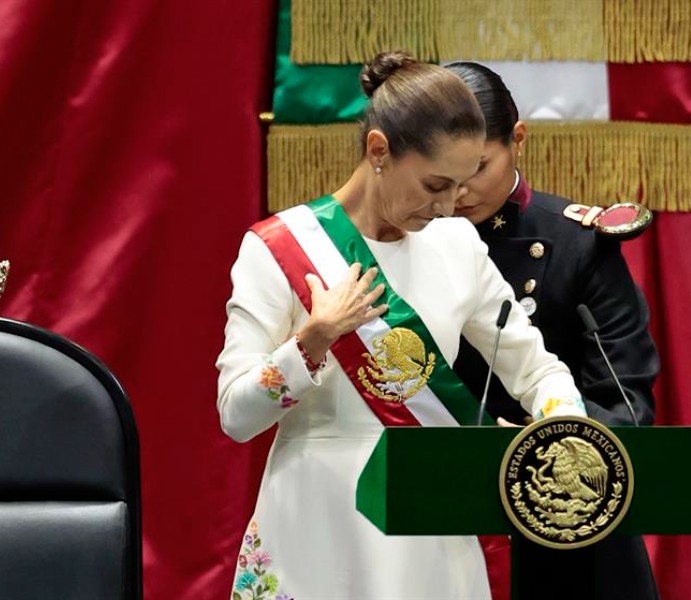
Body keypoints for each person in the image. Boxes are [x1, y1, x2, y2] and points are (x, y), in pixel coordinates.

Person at [216, 51, 588, 600]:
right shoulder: (278, 249)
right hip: (316, 523)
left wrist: (562, 432)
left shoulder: (457, 245)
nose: (448, 206)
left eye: (460, 187)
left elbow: (537, 372)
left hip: (428, 528)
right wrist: (313, 340)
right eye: (435, 184)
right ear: (379, 151)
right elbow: (236, 416)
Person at [446, 61, 661, 600]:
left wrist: (545, 448)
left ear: (517, 140)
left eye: (477, 167)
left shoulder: (578, 241)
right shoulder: (407, 243)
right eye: (443, 171)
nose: (460, 190)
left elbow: (624, 397)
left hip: (565, 518)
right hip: (443, 509)